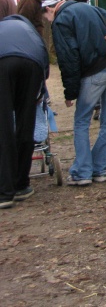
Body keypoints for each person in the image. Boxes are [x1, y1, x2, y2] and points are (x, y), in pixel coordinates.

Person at [41, 0, 106, 186]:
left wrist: (70, 92)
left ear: (49, 9)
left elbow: (68, 57)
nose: (47, 20)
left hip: (95, 71)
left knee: (81, 121)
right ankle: (99, 169)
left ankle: (83, 171)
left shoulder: (62, 19)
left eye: (46, 16)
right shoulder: (92, 8)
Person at [0, 15, 49, 209]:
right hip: (32, 65)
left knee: (4, 127)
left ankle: (5, 192)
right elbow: (44, 61)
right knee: (25, 124)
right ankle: (21, 184)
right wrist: (40, 91)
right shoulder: (30, 31)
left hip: (2, 63)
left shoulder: (3, 27)